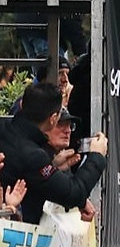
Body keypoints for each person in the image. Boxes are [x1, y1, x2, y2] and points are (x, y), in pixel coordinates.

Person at [0, 81, 107, 224]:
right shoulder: (34, 156)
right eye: (61, 122)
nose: (67, 130)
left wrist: (53, 166)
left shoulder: (5, 130)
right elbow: (73, 193)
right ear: (53, 119)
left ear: (21, 105)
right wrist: (97, 156)